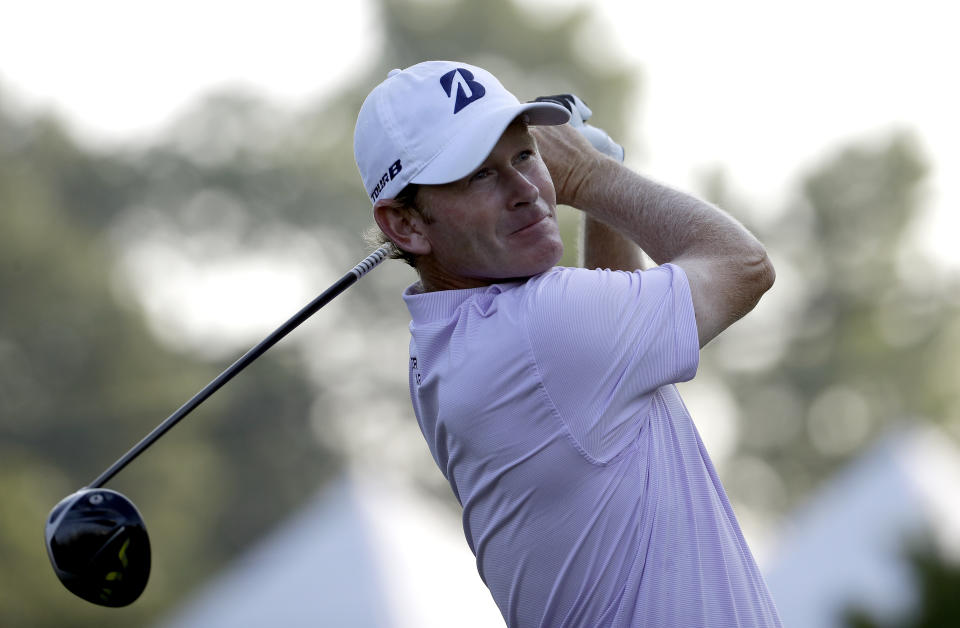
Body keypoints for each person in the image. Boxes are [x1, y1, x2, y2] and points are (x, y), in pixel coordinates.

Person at [354, 60, 781, 627]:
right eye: (479, 174)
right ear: (406, 226)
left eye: (525, 155)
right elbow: (743, 265)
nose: (526, 191)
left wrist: (600, 207)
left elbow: (609, 375)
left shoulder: (445, 341)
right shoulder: (538, 327)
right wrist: (592, 178)